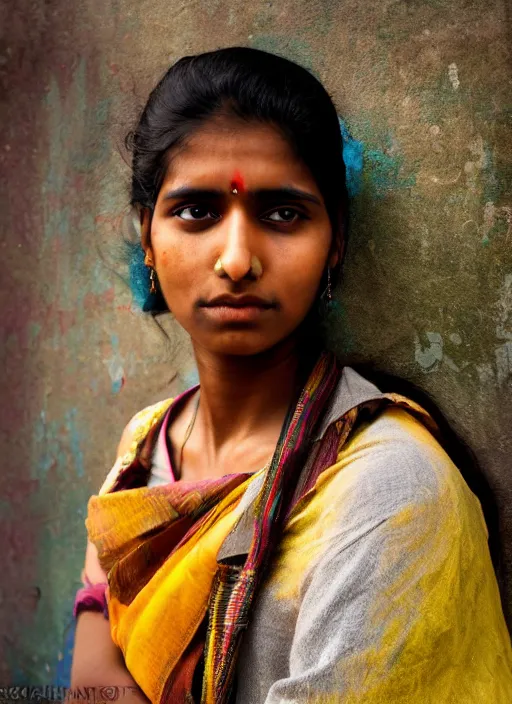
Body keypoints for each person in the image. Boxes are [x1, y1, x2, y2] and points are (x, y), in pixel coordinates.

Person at [69, 47, 512, 703]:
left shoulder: (391, 493)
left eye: (282, 214)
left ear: (334, 241)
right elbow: (92, 670)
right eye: (196, 211)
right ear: (146, 239)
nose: (238, 260)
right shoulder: (145, 448)